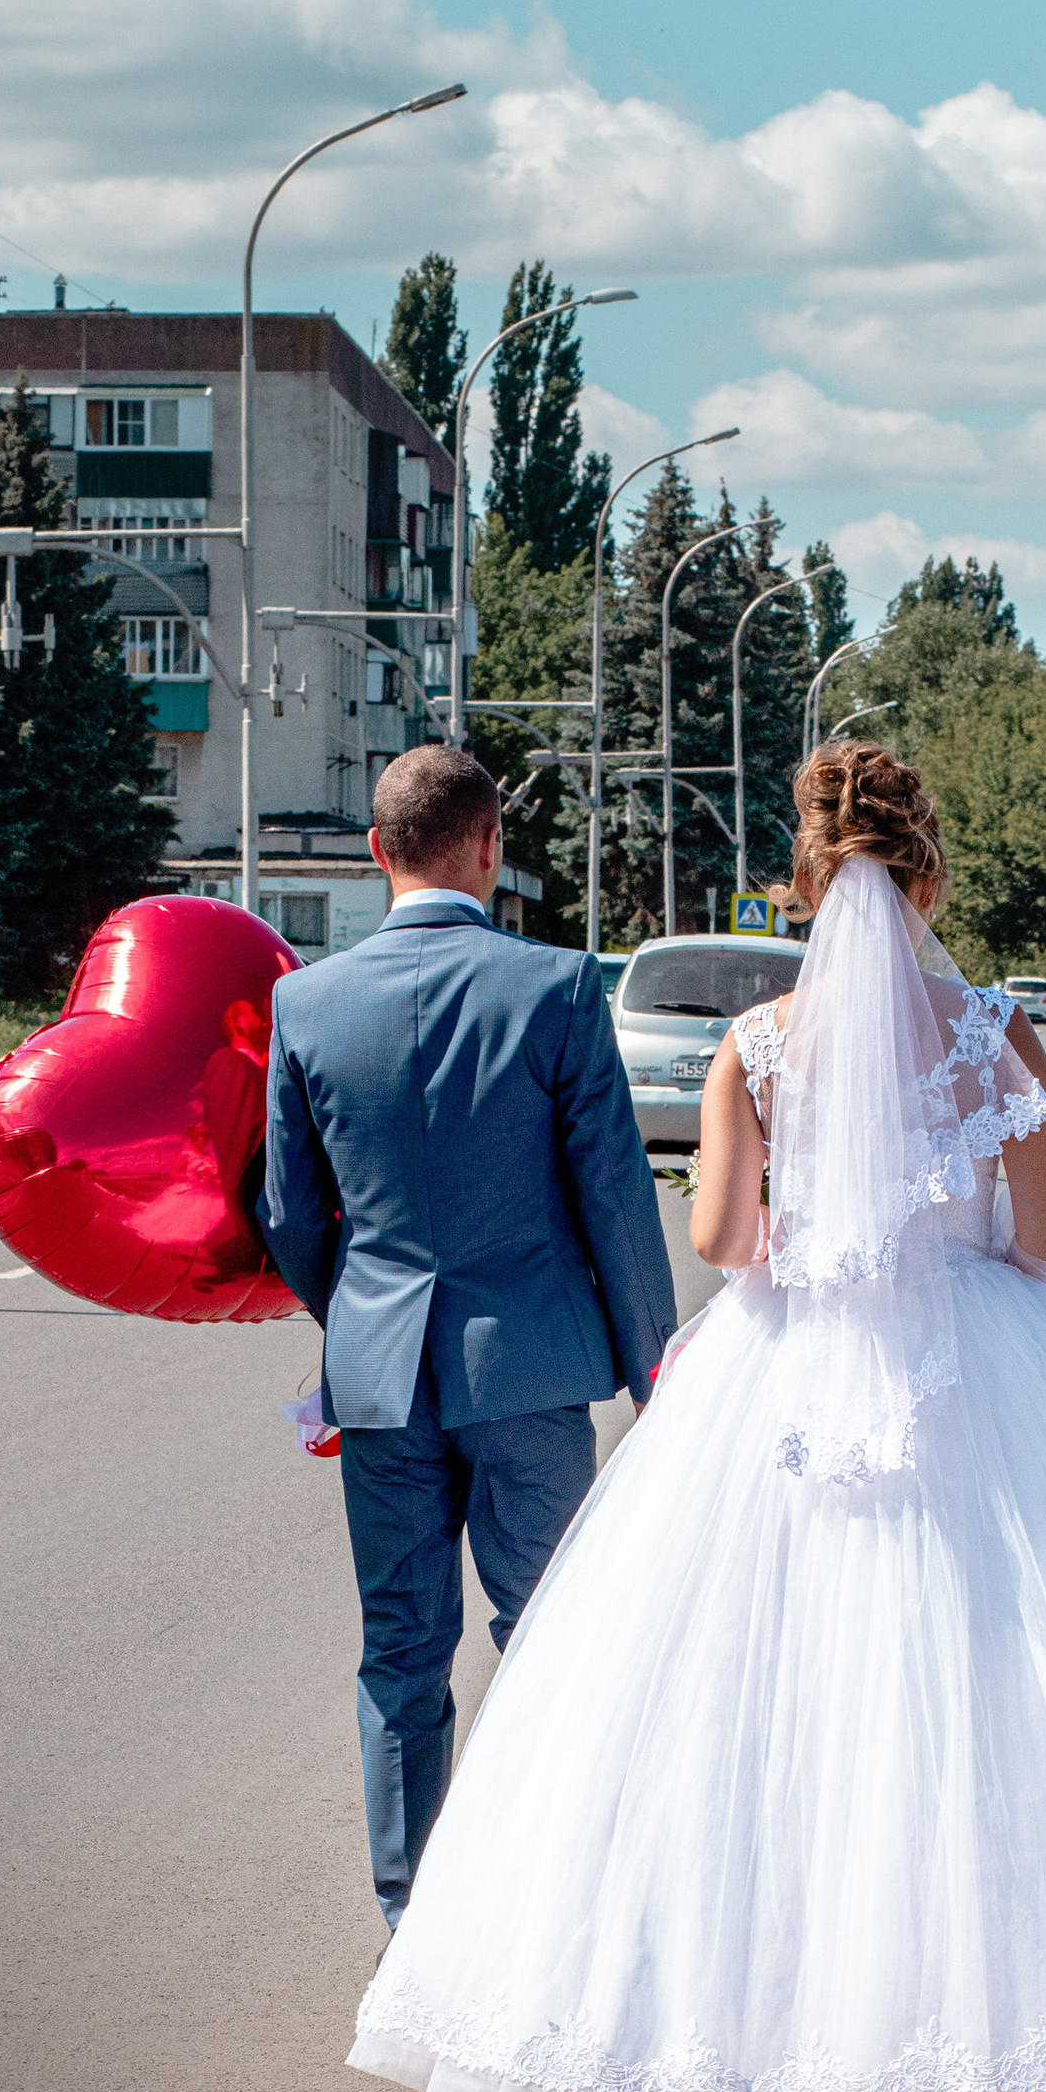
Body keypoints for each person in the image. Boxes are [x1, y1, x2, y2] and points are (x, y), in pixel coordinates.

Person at [347, 741, 1046, 2092]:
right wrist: (952, 1246)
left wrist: (819, 1239)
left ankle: (733, 2008)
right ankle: (994, 1995)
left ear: (806, 887)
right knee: (1009, 1670)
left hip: (786, 1372)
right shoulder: (994, 1029)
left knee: (744, 1688)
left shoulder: (758, 1045)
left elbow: (725, 1241)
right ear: (928, 876)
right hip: (971, 1362)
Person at [263, 742, 675, 1928]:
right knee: (551, 1639)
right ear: (492, 847)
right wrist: (653, 1369)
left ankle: (411, 1924)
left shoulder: (306, 1002)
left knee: (401, 1652)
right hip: (530, 1371)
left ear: (375, 852)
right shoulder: (557, 988)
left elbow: (288, 1212)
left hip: (381, 1381)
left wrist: (355, 1317)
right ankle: (550, 1913)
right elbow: (614, 1195)